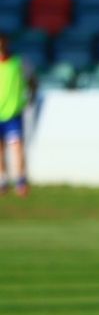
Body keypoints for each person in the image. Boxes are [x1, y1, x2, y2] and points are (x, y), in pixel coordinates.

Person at [0, 33, 35, 196]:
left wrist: (30, 97)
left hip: (13, 112)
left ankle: (21, 180)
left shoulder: (19, 62)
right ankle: (2, 180)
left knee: (17, 146)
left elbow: (32, 80)